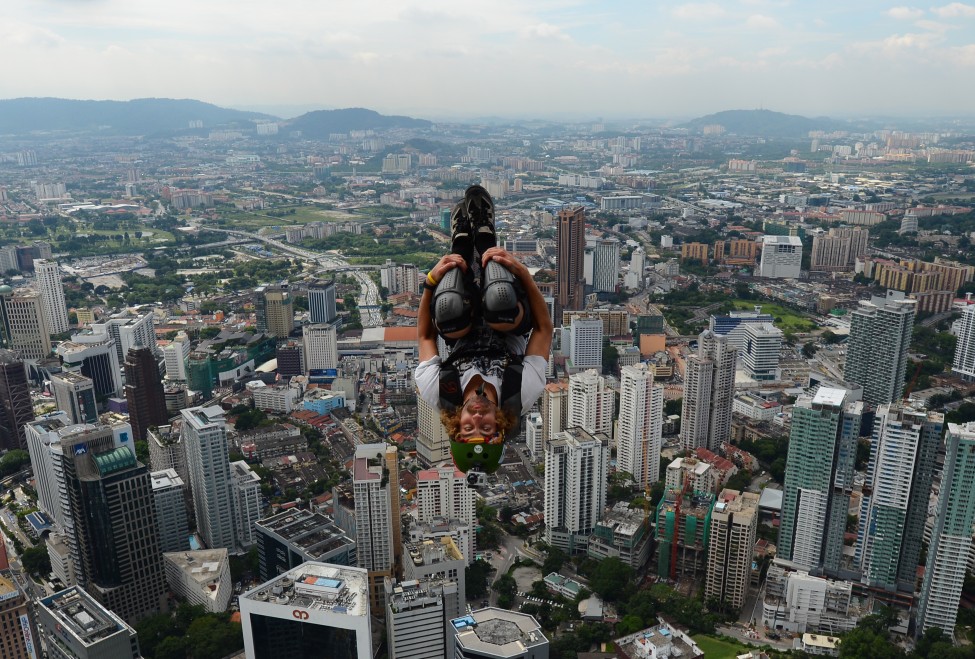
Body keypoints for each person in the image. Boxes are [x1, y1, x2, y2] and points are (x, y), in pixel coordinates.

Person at [415, 185, 553, 484]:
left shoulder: (440, 392)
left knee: (449, 310)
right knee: (498, 303)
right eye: (487, 429)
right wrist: (523, 274)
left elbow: (426, 337)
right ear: (501, 425)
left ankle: (461, 245)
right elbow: (543, 329)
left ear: (456, 425)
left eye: (468, 429)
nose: (477, 418)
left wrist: (431, 281)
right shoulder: (520, 390)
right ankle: (485, 233)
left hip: (460, 314)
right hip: (506, 316)